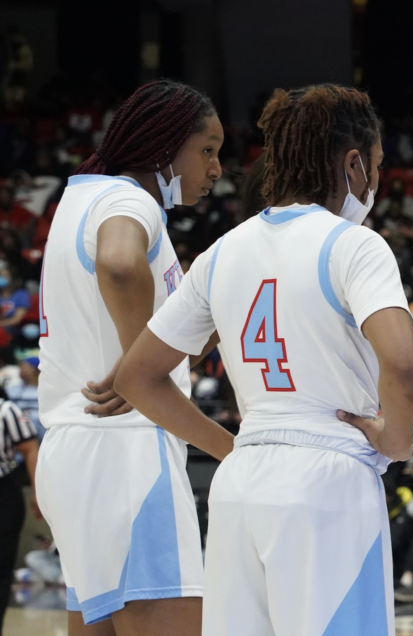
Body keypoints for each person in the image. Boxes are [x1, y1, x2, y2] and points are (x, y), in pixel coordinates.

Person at [113, 84, 413, 636]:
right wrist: (396, 439)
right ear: (354, 164)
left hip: (242, 483)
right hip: (329, 479)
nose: (376, 182)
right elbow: (401, 365)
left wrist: (231, 448)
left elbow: (136, 377)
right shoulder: (356, 245)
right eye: (375, 167)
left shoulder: (222, 251)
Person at [34, 80, 226, 636]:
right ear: (164, 145)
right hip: (127, 457)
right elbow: (118, 262)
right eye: (207, 150)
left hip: (72, 453)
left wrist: (142, 356)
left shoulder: (78, 198)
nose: (216, 169)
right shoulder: (128, 200)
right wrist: (139, 363)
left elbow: (168, 334)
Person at [0, 395, 38, 633]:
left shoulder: (7, 410)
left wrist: (38, 493)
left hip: (3, 491)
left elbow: (30, 448)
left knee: (2, 568)